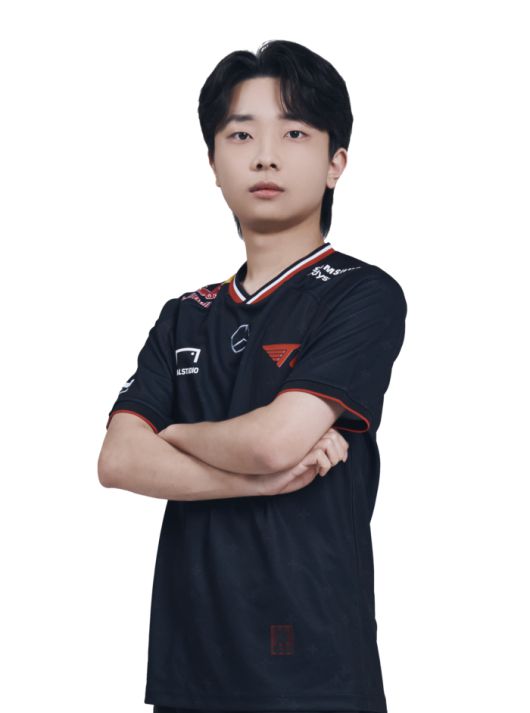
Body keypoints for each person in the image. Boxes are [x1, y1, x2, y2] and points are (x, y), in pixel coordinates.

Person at [98, 39, 407, 713]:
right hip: (191, 664)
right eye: (241, 134)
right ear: (214, 163)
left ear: (335, 163)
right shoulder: (184, 315)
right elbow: (118, 460)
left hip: (316, 671)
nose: (265, 155)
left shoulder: (361, 294)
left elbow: (275, 441)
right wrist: (259, 478)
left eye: (294, 133)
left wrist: (175, 434)